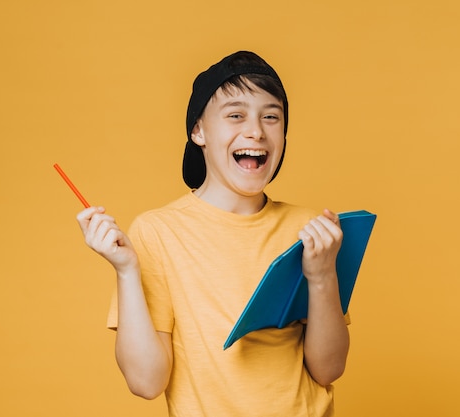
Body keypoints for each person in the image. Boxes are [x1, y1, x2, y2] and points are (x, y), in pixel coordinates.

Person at [76, 51, 350, 417]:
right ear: (198, 131)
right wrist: (126, 271)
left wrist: (322, 277)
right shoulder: (158, 232)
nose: (256, 130)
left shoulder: (310, 230)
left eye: (271, 117)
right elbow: (146, 382)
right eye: (236, 115)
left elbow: (329, 369)